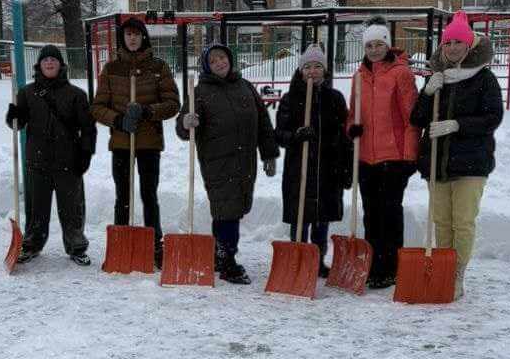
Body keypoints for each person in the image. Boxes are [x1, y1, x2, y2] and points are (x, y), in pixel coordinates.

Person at [410, 10, 503, 299]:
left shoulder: (484, 79)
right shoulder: (438, 78)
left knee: (463, 221)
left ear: (469, 46)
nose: (452, 49)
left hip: (471, 162)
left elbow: (492, 118)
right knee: (442, 221)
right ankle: (443, 268)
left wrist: (458, 125)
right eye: (448, 44)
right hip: (438, 161)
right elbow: (416, 119)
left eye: (457, 43)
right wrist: (426, 94)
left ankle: (458, 273)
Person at [178, 43, 280, 284]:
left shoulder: (245, 87)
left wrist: (269, 154)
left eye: (222, 58)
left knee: (236, 208)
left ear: (230, 59)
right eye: (213, 61)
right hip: (217, 162)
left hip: (245, 161)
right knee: (226, 210)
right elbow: (183, 131)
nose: (219, 63)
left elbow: (263, 123)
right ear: (207, 67)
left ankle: (220, 252)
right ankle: (226, 260)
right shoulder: (200, 92)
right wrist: (186, 122)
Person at [90, 17, 180, 269]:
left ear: (143, 38)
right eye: (128, 34)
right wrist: (118, 121)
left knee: (149, 195)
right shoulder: (111, 69)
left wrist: (146, 111)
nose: (132, 38)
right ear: (122, 38)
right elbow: (97, 108)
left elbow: (173, 103)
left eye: (136, 34)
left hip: (149, 143)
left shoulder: (157, 66)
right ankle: (122, 241)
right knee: (123, 196)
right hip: (121, 143)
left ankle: (155, 244)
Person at [346, 16, 420, 289]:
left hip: (394, 158)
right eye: (369, 46)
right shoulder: (359, 76)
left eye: (379, 44)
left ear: (387, 45)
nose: (374, 50)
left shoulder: (401, 74)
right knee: (371, 213)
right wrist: (350, 129)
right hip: (366, 158)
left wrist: (410, 157)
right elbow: (353, 114)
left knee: (390, 213)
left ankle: (391, 266)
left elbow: (411, 117)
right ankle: (374, 264)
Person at [5, 45, 97, 266]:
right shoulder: (27, 93)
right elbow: (18, 124)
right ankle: (32, 244)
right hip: (38, 160)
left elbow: (88, 128)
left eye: (53, 60)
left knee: (72, 208)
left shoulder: (76, 95)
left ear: (60, 65)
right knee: (37, 208)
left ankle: (76, 245)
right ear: (39, 65)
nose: (49, 63)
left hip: (69, 160)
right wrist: (13, 116)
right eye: (45, 60)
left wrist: (85, 154)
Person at [274, 45, 351, 278]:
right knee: (301, 216)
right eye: (307, 66)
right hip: (300, 170)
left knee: (322, 218)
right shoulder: (290, 99)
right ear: (300, 70)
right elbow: (280, 134)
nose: (313, 71)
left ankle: (317, 260)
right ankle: (298, 258)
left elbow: (344, 135)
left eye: (318, 66)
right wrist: (296, 135)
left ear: (325, 71)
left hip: (328, 169)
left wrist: (346, 168)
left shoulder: (335, 99)